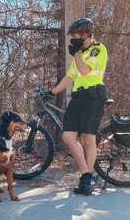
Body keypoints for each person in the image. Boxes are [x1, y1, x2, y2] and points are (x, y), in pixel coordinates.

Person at [45, 18, 108, 195]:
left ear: (85, 35)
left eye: (75, 36)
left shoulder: (98, 49)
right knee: (68, 137)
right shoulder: (78, 54)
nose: (72, 40)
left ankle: (87, 181)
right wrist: (52, 92)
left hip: (93, 97)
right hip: (78, 98)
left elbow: (85, 70)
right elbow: (69, 77)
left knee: (88, 139)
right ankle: (87, 175)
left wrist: (76, 55)